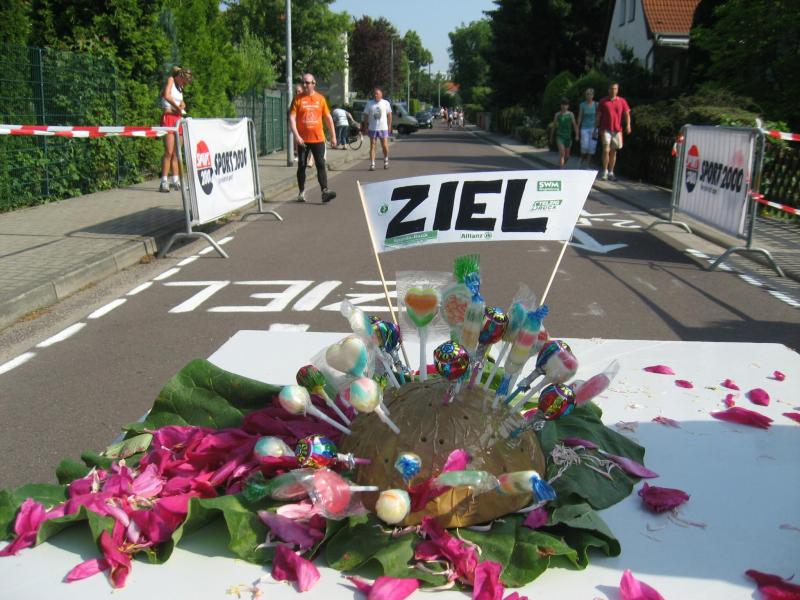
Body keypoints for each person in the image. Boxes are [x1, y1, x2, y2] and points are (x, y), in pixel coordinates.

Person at [288, 73, 337, 203]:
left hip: (318, 139)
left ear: (314, 84)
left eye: (307, 83)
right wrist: (297, 136)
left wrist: (333, 136)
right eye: (303, 82)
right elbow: (292, 119)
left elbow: (328, 118)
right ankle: (301, 192)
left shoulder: (320, 99)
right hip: (303, 140)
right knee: (302, 165)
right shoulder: (297, 99)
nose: (305, 85)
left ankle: (325, 191)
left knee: (320, 164)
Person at [159, 66, 192, 193]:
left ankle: (176, 180)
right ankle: (164, 181)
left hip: (178, 119)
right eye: (184, 81)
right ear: (180, 77)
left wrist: (182, 105)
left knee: (177, 152)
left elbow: (181, 102)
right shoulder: (171, 80)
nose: (185, 84)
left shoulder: (180, 86)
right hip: (168, 117)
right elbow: (166, 95)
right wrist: (177, 107)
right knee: (168, 151)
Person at [596, 82, 631, 181]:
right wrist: (596, 127)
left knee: (613, 151)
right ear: (608, 89)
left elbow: (627, 114)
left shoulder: (622, 101)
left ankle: (611, 171)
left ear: (617, 90)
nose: (613, 90)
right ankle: (605, 171)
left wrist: (628, 125)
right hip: (605, 129)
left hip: (617, 130)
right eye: (611, 88)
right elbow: (598, 115)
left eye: (615, 88)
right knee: (606, 150)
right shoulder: (603, 101)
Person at [361, 87, 392, 171]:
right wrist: (365, 126)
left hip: (383, 128)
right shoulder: (369, 103)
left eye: (377, 94)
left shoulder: (386, 103)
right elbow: (365, 115)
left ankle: (386, 159)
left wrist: (389, 126)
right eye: (374, 94)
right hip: (372, 128)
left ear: (381, 95)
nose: (375, 95)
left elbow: (389, 115)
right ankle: (372, 163)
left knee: (384, 145)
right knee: (372, 145)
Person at [550, 97, 579, 169]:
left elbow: (574, 125)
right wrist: (551, 137)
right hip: (560, 136)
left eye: (565, 105)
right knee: (562, 153)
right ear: (560, 106)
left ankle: (561, 165)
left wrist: (577, 135)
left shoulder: (571, 114)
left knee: (567, 156)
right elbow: (554, 126)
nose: (564, 106)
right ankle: (561, 169)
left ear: (568, 106)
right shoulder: (557, 114)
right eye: (562, 104)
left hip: (568, 137)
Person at [576, 88, 598, 167]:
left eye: (590, 94)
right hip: (584, 128)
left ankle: (587, 165)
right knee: (584, 147)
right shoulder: (582, 105)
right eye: (587, 94)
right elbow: (580, 116)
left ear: (593, 95)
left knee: (591, 148)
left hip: (593, 128)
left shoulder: (596, 104)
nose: (588, 96)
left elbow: (598, 117)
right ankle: (581, 160)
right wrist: (577, 129)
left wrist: (596, 128)